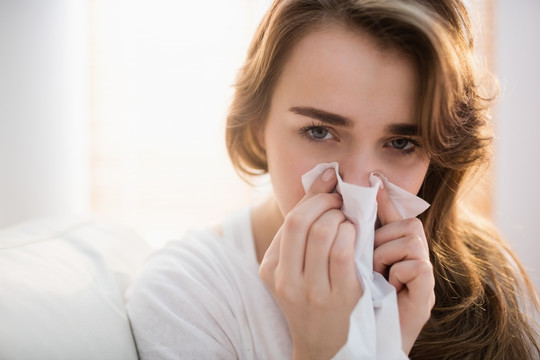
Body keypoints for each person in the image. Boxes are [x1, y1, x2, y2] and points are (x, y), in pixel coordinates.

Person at [126, 0, 540, 359]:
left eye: (400, 142)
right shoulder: (186, 296)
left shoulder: (485, 281)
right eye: (320, 132)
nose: (358, 183)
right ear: (257, 125)